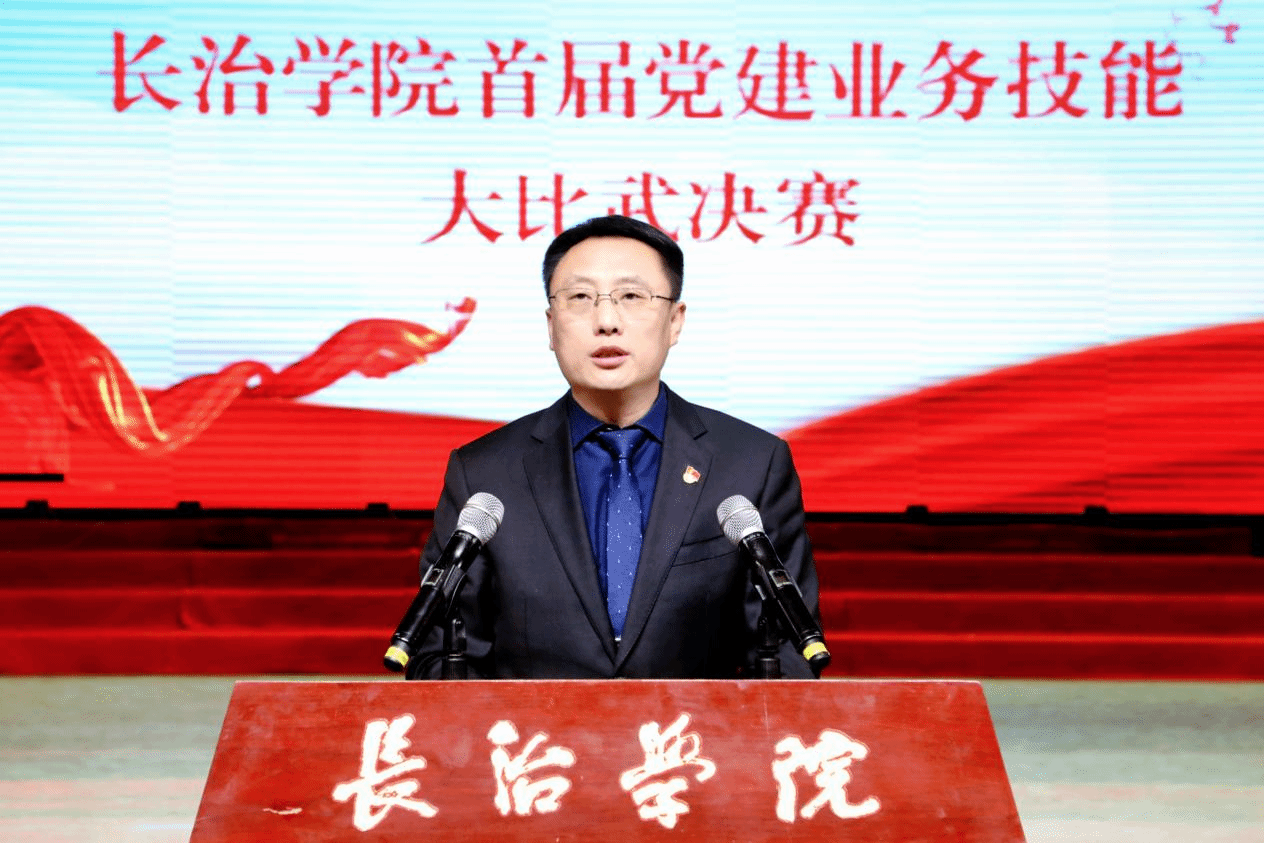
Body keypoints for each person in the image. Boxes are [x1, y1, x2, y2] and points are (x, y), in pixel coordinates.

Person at [406, 214, 821, 679]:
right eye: (580, 298)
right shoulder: (483, 473)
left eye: (631, 297)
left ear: (675, 321)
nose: (606, 322)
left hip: (695, 727)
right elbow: (438, 657)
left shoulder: (752, 464)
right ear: (551, 326)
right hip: (533, 728)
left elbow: (789, 655)